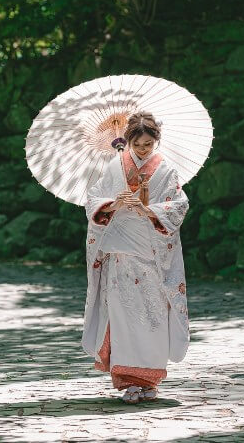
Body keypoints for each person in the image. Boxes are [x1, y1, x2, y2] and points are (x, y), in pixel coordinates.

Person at [82, 112, 190, 403]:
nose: (143, 150)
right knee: (123, 317)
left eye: (148, 144)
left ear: (157, 141)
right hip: (121, 254)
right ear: (128, 141)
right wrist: (113, 203)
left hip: (151, 253)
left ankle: (150, 380)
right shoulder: (114, 166)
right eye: (138, 144)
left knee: (153, 317)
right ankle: (129, 381)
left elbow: (179, 206)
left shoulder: (166, 169)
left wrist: (149, 211)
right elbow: (93, 199)